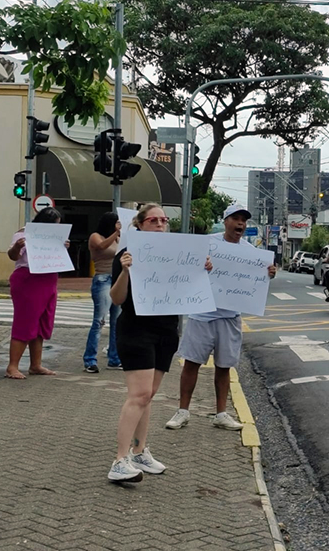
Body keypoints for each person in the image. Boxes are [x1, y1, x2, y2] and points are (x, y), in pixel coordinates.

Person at [107, 203, 214, 482]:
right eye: (153, 220)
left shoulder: (179, 254)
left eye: (164, 220)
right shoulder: (126, 254)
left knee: (148, 395)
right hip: (135, 329)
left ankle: (140, 451)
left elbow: (190, 289)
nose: (160, 224)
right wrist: (125, 271)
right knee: (139, 394)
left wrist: (203, 270)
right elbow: (116, 299)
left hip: (166, 331)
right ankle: (120, 459)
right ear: (140, 225)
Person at [166, 204, 277, 432]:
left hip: (229, 317)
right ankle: (183, 411)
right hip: (202, 314)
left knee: (224, 366)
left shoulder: (251, 252)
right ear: (225, 221)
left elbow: (255, 282)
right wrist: (202, 265)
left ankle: (221, 414)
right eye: (236, 219)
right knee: (191, 363)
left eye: (244, 221)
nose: (240, 224)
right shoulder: (208, 244)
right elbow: (187, 266)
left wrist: (268, 274)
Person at [5, 207, 67, 380]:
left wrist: (63, 247)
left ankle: (35, 364)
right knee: (25, 321)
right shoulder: (23, 235)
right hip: (29, 280)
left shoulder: (53, 238)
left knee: (41, 323)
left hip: (48, 280)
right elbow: (13, 256)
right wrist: (17, 247)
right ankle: (12, 366)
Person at [83, 212, 122, 373]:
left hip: (117, 280)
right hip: (102, 279)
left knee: (117, 322)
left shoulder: (118, 238)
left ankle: (114, 358)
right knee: (99, 321)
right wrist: (116, 233)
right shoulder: (95, 236)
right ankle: (90, 359)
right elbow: (101, 246)